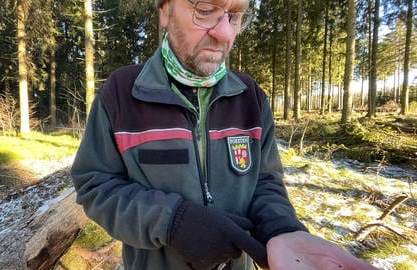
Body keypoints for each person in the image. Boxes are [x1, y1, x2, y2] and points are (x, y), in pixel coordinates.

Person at [71, 0, 379, 269]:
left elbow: (264, 182)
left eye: (234, 15)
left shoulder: (250, 98)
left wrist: (280, 230)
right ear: (165, 11)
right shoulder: (123, 93)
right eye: (205, 10)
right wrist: (172, 222)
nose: (225, 33)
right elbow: (95, 184)